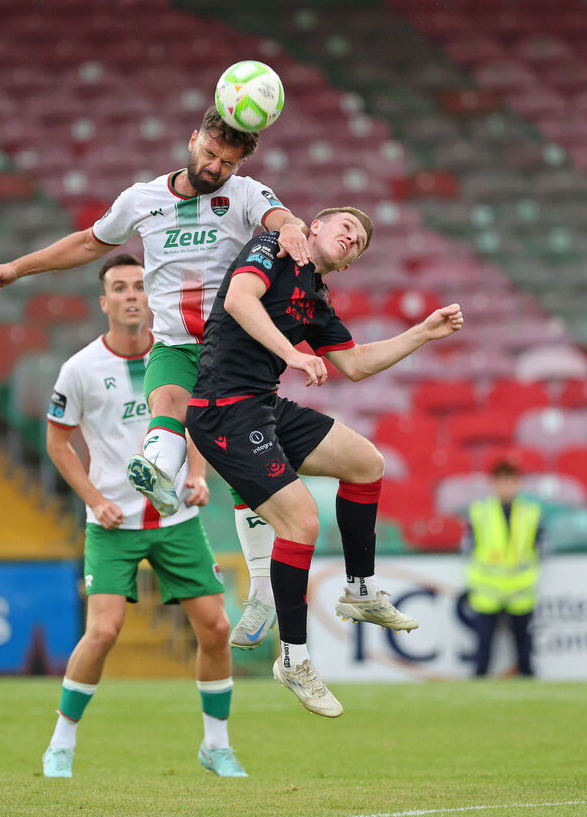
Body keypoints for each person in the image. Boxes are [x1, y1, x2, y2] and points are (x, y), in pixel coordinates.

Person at [0, 106, 310, 651]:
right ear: (192, 140)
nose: (215, 167)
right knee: (168, 400)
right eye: (209, 153)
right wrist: (17, 268)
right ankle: (158, 469)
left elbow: (281, 218)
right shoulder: (141, 199)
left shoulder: (247, 193)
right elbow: (88, 243)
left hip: (233, 351)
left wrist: (294, 228)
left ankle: (260, 591)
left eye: (227, 162)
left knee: (249, 474)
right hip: (177, 344)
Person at [186, 207, 464, 718]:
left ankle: (359, 590)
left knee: (366, 462)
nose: (351, 239)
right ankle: (294, 660)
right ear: (314, 227)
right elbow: (239, 300)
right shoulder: (272, 248)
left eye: (359, 242)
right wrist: (292, 356)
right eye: (346, 228)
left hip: (261, 404)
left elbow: (355, 364)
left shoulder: (316, 298)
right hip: (222, 408)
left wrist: (422, 333)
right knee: (302, 522)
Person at [40, 254, 247, 779]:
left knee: (217, 627)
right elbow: (58, 443)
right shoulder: (80, 369)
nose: (132, 295)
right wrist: (94, 500)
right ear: (104, 301)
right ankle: (61, 742)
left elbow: (196, 421)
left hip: (175, 522)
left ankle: (216, 745)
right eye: (120, 287)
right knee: (103, 632)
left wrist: (197, 476)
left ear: (151, 298)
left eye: (139, 286)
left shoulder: (178, 358)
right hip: (113, 527)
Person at [462, 458, 543, 678]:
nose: (506, 487)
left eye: (511, 482)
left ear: (519, 484)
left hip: (520, 590)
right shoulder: (479, 511)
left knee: (524, 645)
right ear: (493, 484)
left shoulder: (531, 512)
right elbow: (468, 546)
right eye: (501, 482)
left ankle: (528, 680)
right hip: (489, 591)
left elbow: (542, 545)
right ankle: (479, 684)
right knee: (483, 646)